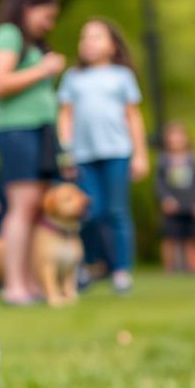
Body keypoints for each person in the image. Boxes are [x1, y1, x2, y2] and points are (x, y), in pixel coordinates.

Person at [0, 0, 65, 306]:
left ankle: (29, 282)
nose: (50, 23)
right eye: (47, 16)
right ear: (29, 8)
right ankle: (14, 284)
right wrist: (42, 70)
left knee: (35, 208)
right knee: (21, 206)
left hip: (41, 132)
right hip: (17, 131)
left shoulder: (31, 43)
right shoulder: (7, 34)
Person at [57, 18, 149, 294]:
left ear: (112, 45)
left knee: (117, 212)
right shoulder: (73, 78)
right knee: (89, 213)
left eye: (97, 37)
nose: (89, 43)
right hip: (83, 156)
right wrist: (66, 153)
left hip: (117, 153)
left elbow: (133, 116)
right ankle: (90, 264)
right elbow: (66, 116)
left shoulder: (122, 76)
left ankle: (121, 270)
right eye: (85, 37)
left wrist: (140, 154)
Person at [155, 122, 195, 274]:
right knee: (170, 237)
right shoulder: (163, 160)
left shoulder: (192, 159)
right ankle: (169, 268)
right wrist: (165, 199)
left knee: (191, 236)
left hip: (189, 203)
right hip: (171, 205)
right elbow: (159, 184)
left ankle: (191, 265)